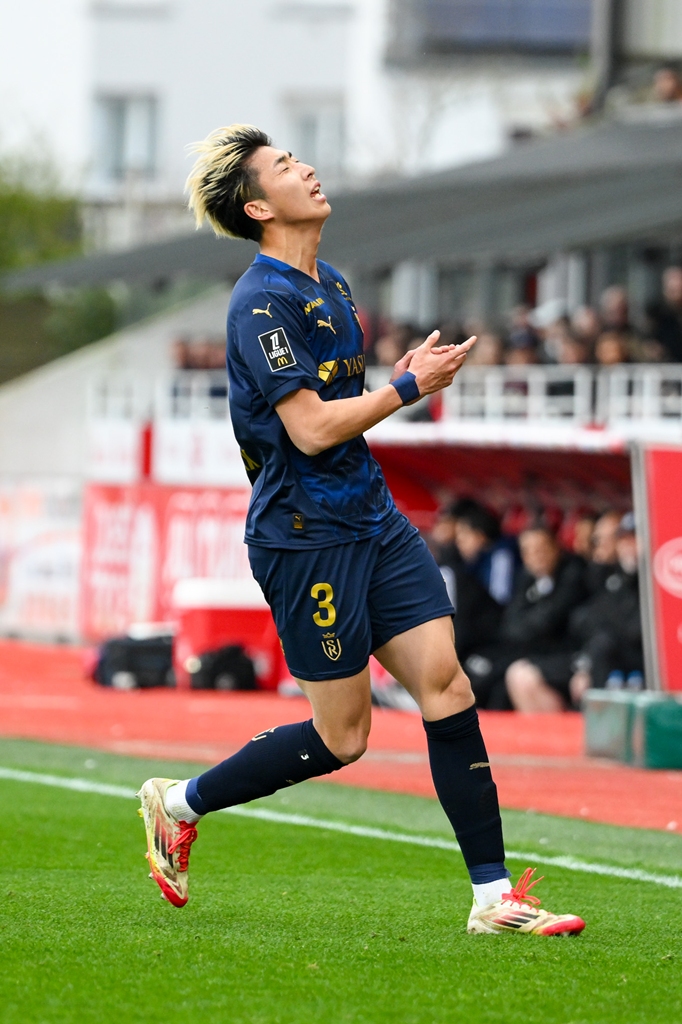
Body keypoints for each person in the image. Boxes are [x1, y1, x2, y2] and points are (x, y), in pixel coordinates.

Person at [137, 123, 583, 936]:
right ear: (258, 207)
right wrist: (408, 388)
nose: (306, 168)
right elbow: (310, 429)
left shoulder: (333, 283)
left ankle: (493, 900)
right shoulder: (260, 303)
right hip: (305, 537)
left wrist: (396, 380)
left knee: (448, 687)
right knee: (344, 738)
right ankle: (181, 803)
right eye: (284, 165)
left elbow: (341, 408)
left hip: (372, 519)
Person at [500, 524, 587, 713]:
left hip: (572, 655)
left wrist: (528, 626)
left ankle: (562, 728)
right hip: (542, 655)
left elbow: (549, 620)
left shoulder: (573, 574)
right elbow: (509, 626)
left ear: (556, 548)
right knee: (517, 674)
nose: (535, 556)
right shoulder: (526, 580)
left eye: (540, 549)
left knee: (523, 676)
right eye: (528, 551)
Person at [568, 513, 644, 704]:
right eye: (624, 539)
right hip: (611, 654)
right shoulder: (611, 574)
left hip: (643, 657)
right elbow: (585, 620)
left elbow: (634, 629)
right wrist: (585, 666)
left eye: (634, 539)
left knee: (603, 644)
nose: (629, 546)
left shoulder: (654, 574)